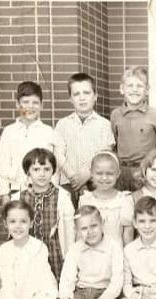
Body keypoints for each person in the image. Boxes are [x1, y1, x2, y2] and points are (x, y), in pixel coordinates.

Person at [14, 148, 75, 299]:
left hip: (56, 257)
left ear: (53, 171)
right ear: (28, 172)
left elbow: (69, 233)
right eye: (36, 169)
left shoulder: (62, 197)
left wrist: (70, 260)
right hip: (30, 261)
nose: (41, 173)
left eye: (46, 169)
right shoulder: (20, 197)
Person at [78, 150, 133, 299]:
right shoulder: (85, 199)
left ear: (118, 174)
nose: (104, 178)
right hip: (92, 263)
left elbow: (127, 235)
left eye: (109, 173)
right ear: (91, 174)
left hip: (115, 261)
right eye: (99, 173)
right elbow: (79, 234)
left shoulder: (124, 200)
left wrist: (127, 264)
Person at [55, 73, 115, 207]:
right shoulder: (62, 124)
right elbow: (58, 154)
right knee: (69, 223)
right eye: (76, 94)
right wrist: (73, 177)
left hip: (94, 184)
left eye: (86, 93)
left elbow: (104, 154)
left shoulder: (104, 124)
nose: (82, 98)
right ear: (70, 98)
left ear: (95, 96)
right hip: (68, 184)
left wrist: (85, 175)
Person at [0, 81, 61, 205]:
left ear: (41, 105)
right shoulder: (9, 132)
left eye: (35, 103)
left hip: (44, 191)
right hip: (16, 191)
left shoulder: (49, 132)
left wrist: (53, 192)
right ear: (17, 104)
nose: (30, 107)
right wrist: (5, 195)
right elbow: (3, 165)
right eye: (25, 102)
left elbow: (55, 167)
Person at [110, 66, 156, 191]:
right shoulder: (116, 114)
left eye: (139, 86)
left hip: (146, 172)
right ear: (122, 89)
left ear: (147, 90)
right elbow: (114, 144)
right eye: (130, 86)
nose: (135, 90)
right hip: (122, 172)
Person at [121, 148, 156, 243]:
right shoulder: (131, 198)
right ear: (144, 170)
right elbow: (128, 233)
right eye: (153, 169)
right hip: (141, 252)